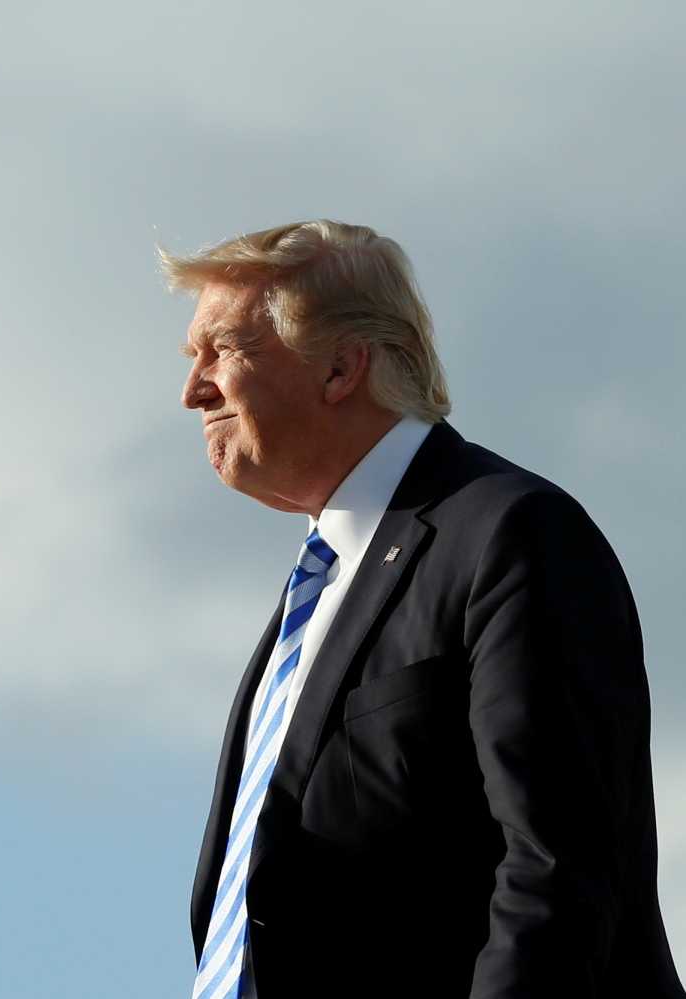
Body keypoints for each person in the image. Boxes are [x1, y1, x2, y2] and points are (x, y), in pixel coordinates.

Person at [161, 220, 683, 999]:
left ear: (341, 367)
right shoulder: (317, 584)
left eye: (224, 350)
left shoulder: (512, 535)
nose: (193, 389)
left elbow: (556, 870)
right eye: (192, 357)